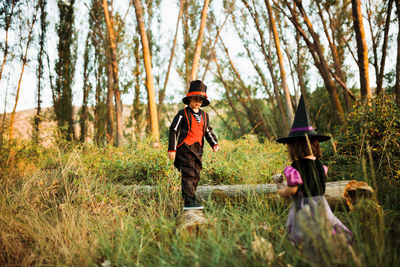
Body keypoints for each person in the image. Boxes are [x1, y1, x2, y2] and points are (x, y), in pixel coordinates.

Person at [276, 95, 353, 262]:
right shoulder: (320, 166)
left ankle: (309, 259)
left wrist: (282, 191)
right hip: (321, 205)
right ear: (315, 145)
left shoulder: (296, 167)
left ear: (295, 147)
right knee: (323, 232)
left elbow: (294, 189)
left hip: (304, 206)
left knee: (304, 235)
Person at [168, 80, 219, 210]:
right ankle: (189, 202)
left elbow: (207, 130)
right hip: (185, 148)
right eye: (195, 99)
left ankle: (190, 196)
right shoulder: (183, 114)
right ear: (189, 99)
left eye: (200, 100)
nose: (197, 102)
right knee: (188, 173)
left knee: (196, 173)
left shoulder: (204, 116)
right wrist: (172, 149)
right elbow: (174, 129)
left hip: (198, 149)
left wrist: (214, 143)